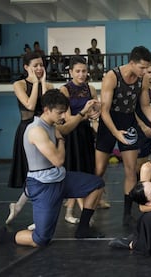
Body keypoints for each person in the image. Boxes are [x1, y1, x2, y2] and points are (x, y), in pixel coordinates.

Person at [0, 89, 105, 247]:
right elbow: (58, 159)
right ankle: (4, 236)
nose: (63, 116)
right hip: (43, 186)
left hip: (60, 178)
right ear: (47, 110)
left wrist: (83, 112)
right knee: (40, 239)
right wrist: (61, 140)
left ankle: (82, 229)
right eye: (60, 113)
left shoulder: (51, 124)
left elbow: (67, 127)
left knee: (96, 184)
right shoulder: (37, 130)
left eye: (64, 112)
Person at [94, 46, 151, 226]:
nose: (145, 73)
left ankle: (127, 214)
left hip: (128, 122)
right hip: (109, 122)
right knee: (99, 171)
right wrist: (115, 133)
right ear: (132, 63)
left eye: (147, 68)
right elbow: (104, 110)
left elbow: (145, 107)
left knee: (131, 169)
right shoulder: (112, 76)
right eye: (142, 68)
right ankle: (89, 209)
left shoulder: (141, 80)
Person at [6, 52, 54, 227]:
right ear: (26, 67)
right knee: (32, 174)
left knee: (42, 173)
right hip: (27, 131)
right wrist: (35, 84)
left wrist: (42, 84)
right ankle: (28, 211)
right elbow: (30, 105)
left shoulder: (47, 84)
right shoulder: (18, 84)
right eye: (36, 65)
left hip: (44, 131)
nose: (40, 68)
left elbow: (48, 108)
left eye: (42, 65)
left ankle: (19, 207)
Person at [58, 56, 101, 224]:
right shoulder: (65, 89)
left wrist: (96, 114)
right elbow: (68, 119)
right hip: (71, 134)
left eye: (84, 71)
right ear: (70, 72)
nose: (82, 74)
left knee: (85, 170)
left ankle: (70, 211)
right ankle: (78, 211)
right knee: (72, 171)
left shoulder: (90, 88)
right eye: (78, 71)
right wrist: (86, 112)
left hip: (85, 133)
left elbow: (96, 114)